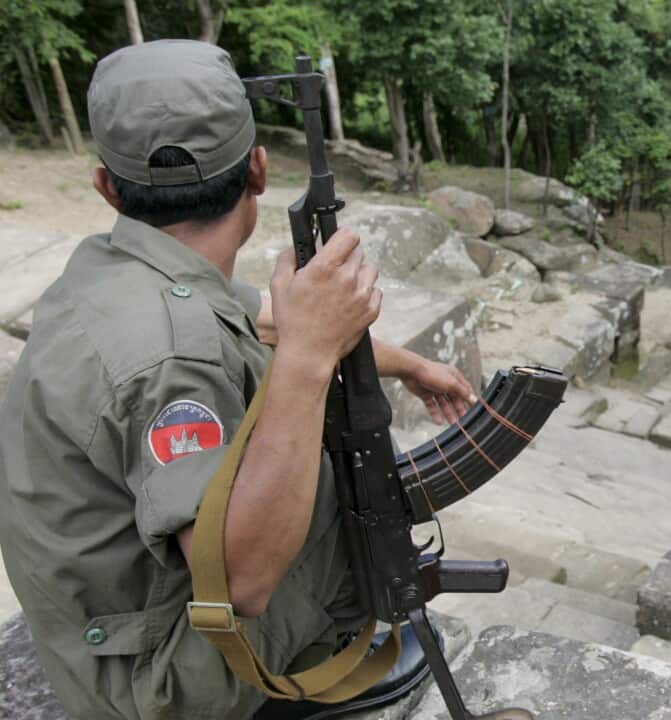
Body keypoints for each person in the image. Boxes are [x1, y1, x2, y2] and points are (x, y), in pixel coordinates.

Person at [0, 42, 478, 720]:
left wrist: (405, 364)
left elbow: (244, 315)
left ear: (106, 185)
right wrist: (312, 358)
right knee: (351, 488)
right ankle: (319, 655)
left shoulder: (123, 269)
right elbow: (242, 582)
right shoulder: (171, 362)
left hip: (105, 620)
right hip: (159, 682)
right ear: (259, 168)